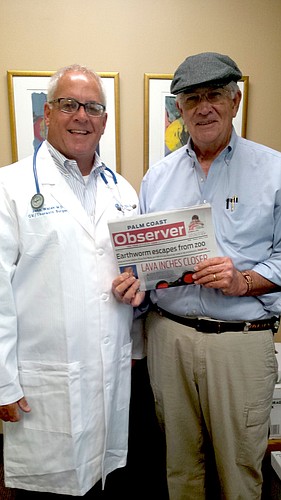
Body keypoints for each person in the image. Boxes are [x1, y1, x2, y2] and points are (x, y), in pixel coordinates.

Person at [112, 52, 281, 499]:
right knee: (179, 465)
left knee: (240, 468)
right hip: (169, 339)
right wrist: (133, 281)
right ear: (180, 110)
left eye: (214, 96)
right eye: (191, 99)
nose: (203, 107)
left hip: (240, 340)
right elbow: (143, 259)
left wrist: (243, 280)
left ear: (235, 101)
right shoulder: (156, 177)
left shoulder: (275, 170)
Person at [0, 64, 141, 498]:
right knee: (47, 489)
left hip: (110, 372)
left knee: (107, 481)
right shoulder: (11, 186)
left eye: (94, 107)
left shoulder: (124, 192)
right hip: (42, 383)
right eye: (69, 104)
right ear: (47, 113)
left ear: (104, 120)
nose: (82, 115)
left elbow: (133, 274)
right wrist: (2, 381)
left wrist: (139, 287)